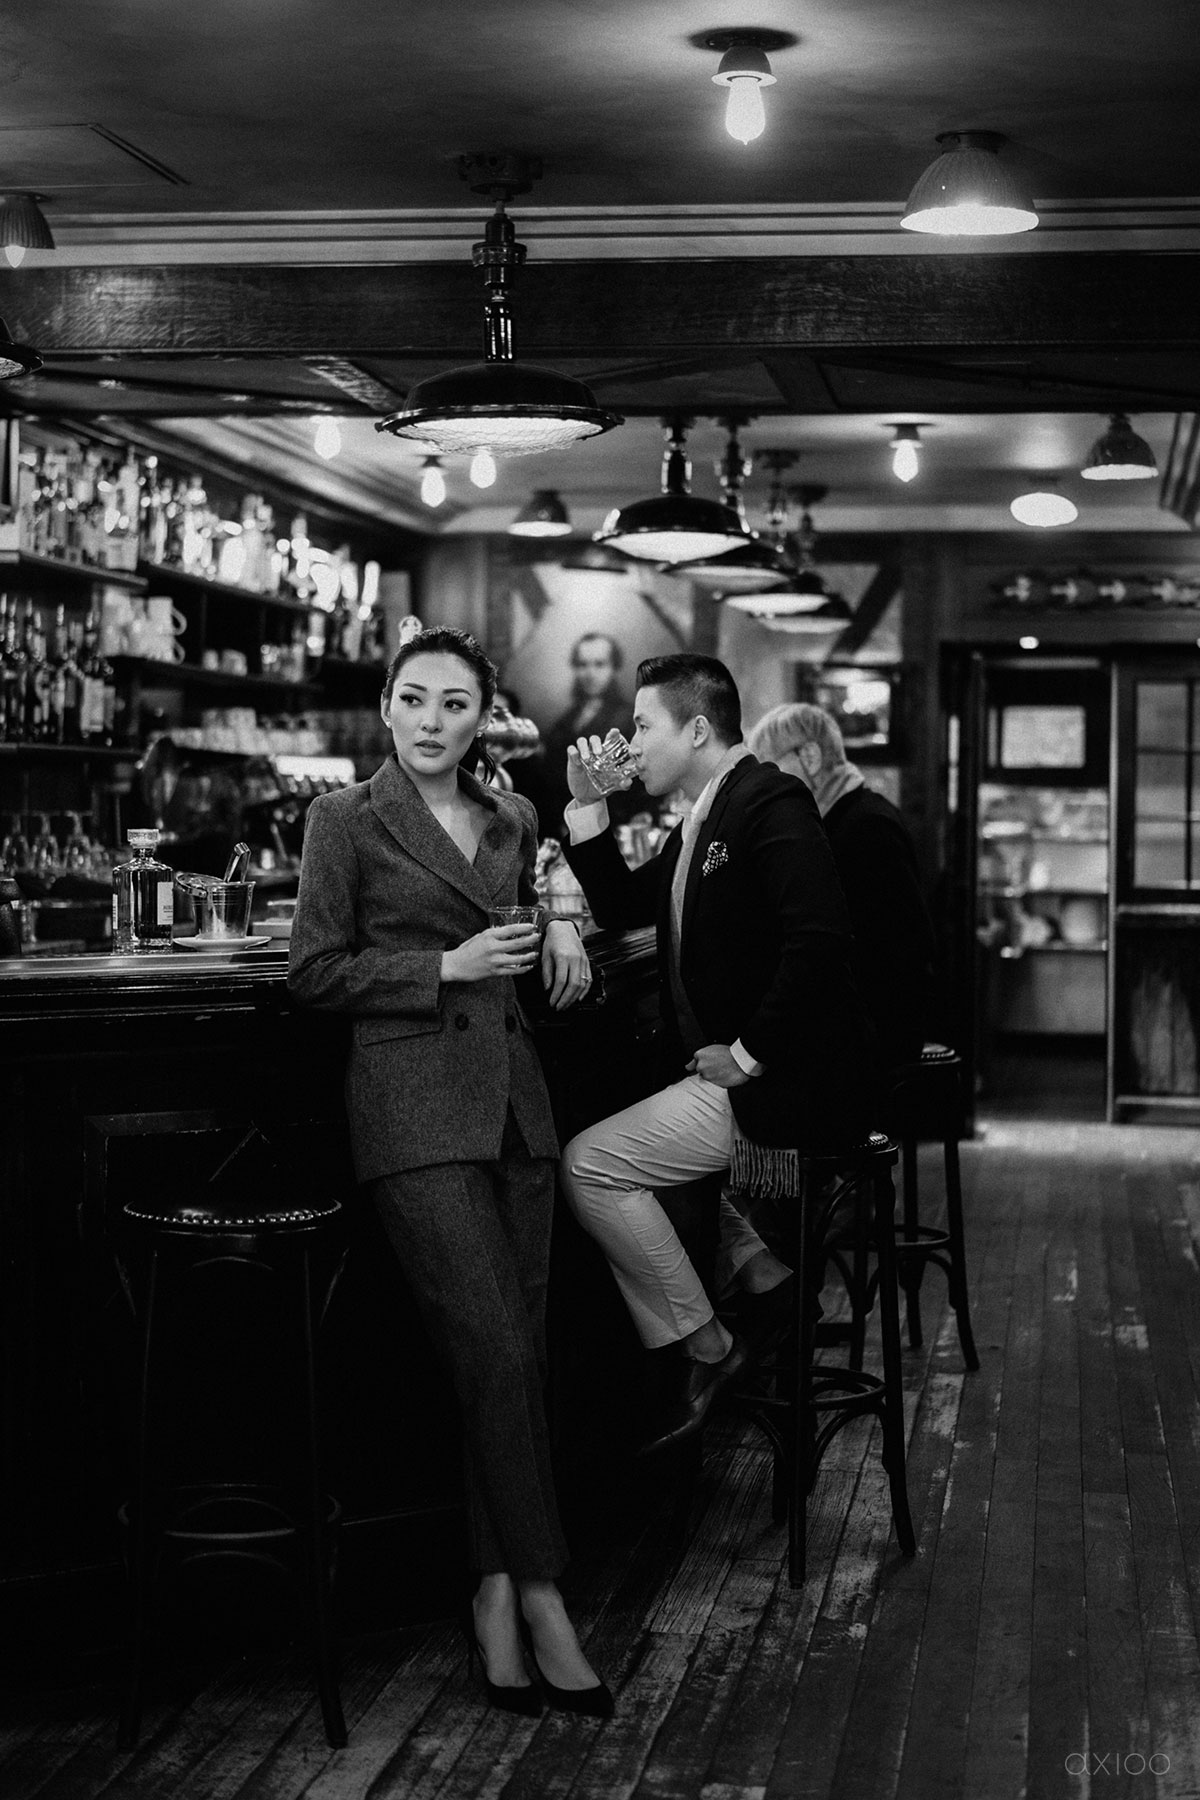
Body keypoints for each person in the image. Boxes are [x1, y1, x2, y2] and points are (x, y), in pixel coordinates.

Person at [287, 625, 612, 1719]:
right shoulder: (343, 819)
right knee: (498, 1350)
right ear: (386, 705)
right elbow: (314, 972)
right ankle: (545, 1591)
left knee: (513, 1359)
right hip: (412, 1112)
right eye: (415, 699)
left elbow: (545, 887)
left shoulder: (513, 818)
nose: (432, 721)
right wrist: (445, 965)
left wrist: (561, 921)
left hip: (517, 1109)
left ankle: (491, 1592)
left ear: (484, 720)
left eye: (456, 704)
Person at [557, 654, 871, 1455]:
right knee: (631, 1129)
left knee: (590, 1165)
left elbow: (823, 939)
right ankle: (764, 1281)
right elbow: (622, 906)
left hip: (787, 1085)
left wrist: (749, 1054)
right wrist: (587, 807)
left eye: (642, 726)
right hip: (735, 1076)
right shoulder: (702, 818)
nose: (631, 744)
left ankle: (709, 1346)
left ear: (697, 729)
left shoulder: (769, 799)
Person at [746, 702, 937, 1073]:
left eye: (769, 769)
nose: (763, 788)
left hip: (874, 1038)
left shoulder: (866, 826)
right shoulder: (841, 819)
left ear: (810, 757)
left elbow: (900, 953)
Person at [523, 633, 637, 837]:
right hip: (562, 825)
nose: (590, 673)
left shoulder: (627, 719)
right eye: (583, 665)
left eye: (599, 664)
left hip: (610, 829)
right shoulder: (567, 719)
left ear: (614, 668)